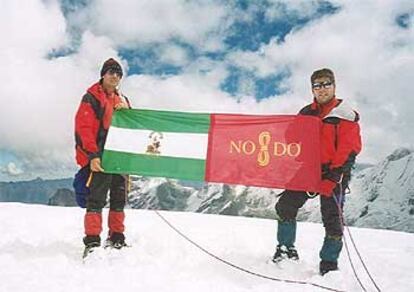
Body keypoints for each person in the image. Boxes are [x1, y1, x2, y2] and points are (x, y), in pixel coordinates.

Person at [272, 68, 362, 275]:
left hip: (335, 173)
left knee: (332, 219)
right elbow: (292, 138)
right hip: (309, 170)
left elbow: (349, 149)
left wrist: (334, 176)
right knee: (285, 205)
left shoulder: (344, 114)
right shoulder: (306, 113)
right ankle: (286, 249)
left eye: (326, 84)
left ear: (334, 86)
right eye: (317, 85)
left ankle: (329, 264)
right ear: (312, 89)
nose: (321, 89)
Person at [74, 58, 131, 256]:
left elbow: (131, 128)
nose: (115, 75)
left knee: (118, 200)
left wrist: (128, 112)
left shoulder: (123, 100)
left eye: (118, 73)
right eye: (111, 72)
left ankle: (116, 237)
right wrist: (93, 156)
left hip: (119, 158)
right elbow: (84, 128)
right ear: (103, 75)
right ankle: (92, 241)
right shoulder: (91, 98)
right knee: (96, 201)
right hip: (101, 157)